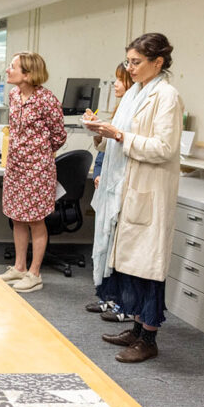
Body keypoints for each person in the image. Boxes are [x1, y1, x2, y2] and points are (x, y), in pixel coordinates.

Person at [84, 33, 183, 363]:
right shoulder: (136, 94)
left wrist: (119, 134)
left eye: (136, 62)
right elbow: (119, 134)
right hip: (125, 187)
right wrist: (101, 131)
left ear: (158, 62)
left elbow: (164, 148)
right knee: (130, 267)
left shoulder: (166, 97)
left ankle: (149, 337)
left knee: (148, 268)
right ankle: (137, 330)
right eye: (128, 61)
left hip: (148, 192)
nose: (130, 68)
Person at [0, 51, 67, 294]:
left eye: (13, 66)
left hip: (38, 170)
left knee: (36, 220)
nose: (8, 70)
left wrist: (38, 155)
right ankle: (19, 266)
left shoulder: (47, 99)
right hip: (15, 166)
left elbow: (59, 136)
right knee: (16, 217)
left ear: (27, 74)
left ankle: (34, 273)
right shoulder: (14, 95)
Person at [86, 62, 135, 317]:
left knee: (118, 249)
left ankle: (121, 303)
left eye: (119, 80)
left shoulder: (137, 109)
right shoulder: (120, 109)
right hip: (108, 183)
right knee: (104, 245)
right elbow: (107, 148)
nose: (115, 84)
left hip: (123, 187)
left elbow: (126, 146)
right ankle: (107, 296)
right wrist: (96, 131)